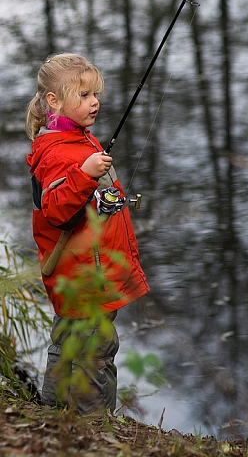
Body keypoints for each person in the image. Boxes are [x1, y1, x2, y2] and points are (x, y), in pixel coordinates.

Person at [26, 52, 150, 414]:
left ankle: (51, 411)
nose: (94, 101)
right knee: (96, 352)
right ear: (54, 101)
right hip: (84, 276)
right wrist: (86, 173)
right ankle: (93, 425)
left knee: (67, 343)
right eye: (83, 95)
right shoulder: (58, 153)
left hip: (82, 272)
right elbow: (58, 210)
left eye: (95, 93)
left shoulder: (77, 140)